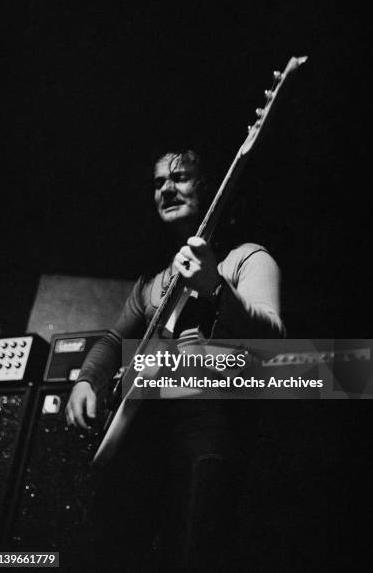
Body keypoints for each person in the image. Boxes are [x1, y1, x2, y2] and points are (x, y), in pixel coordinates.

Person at [65, 149, 284, 571]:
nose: (166, 188)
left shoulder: (248, 257)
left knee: (192, 549)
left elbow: (275, 339)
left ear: (210, 187)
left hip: (208, 423)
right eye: (158, 181)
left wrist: (216, 287)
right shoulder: (152, 283)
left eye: (180, 177)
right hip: (143, 428)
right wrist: (87, 380)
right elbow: (113, 339)